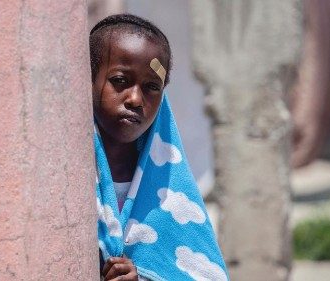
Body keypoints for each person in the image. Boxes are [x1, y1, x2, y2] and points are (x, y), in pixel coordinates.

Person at [90, 14, 228, 280]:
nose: (135, 98)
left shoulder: (170, 192)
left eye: (152, 87)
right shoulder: (65, 173)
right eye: (120, 80)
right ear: (89, 80)